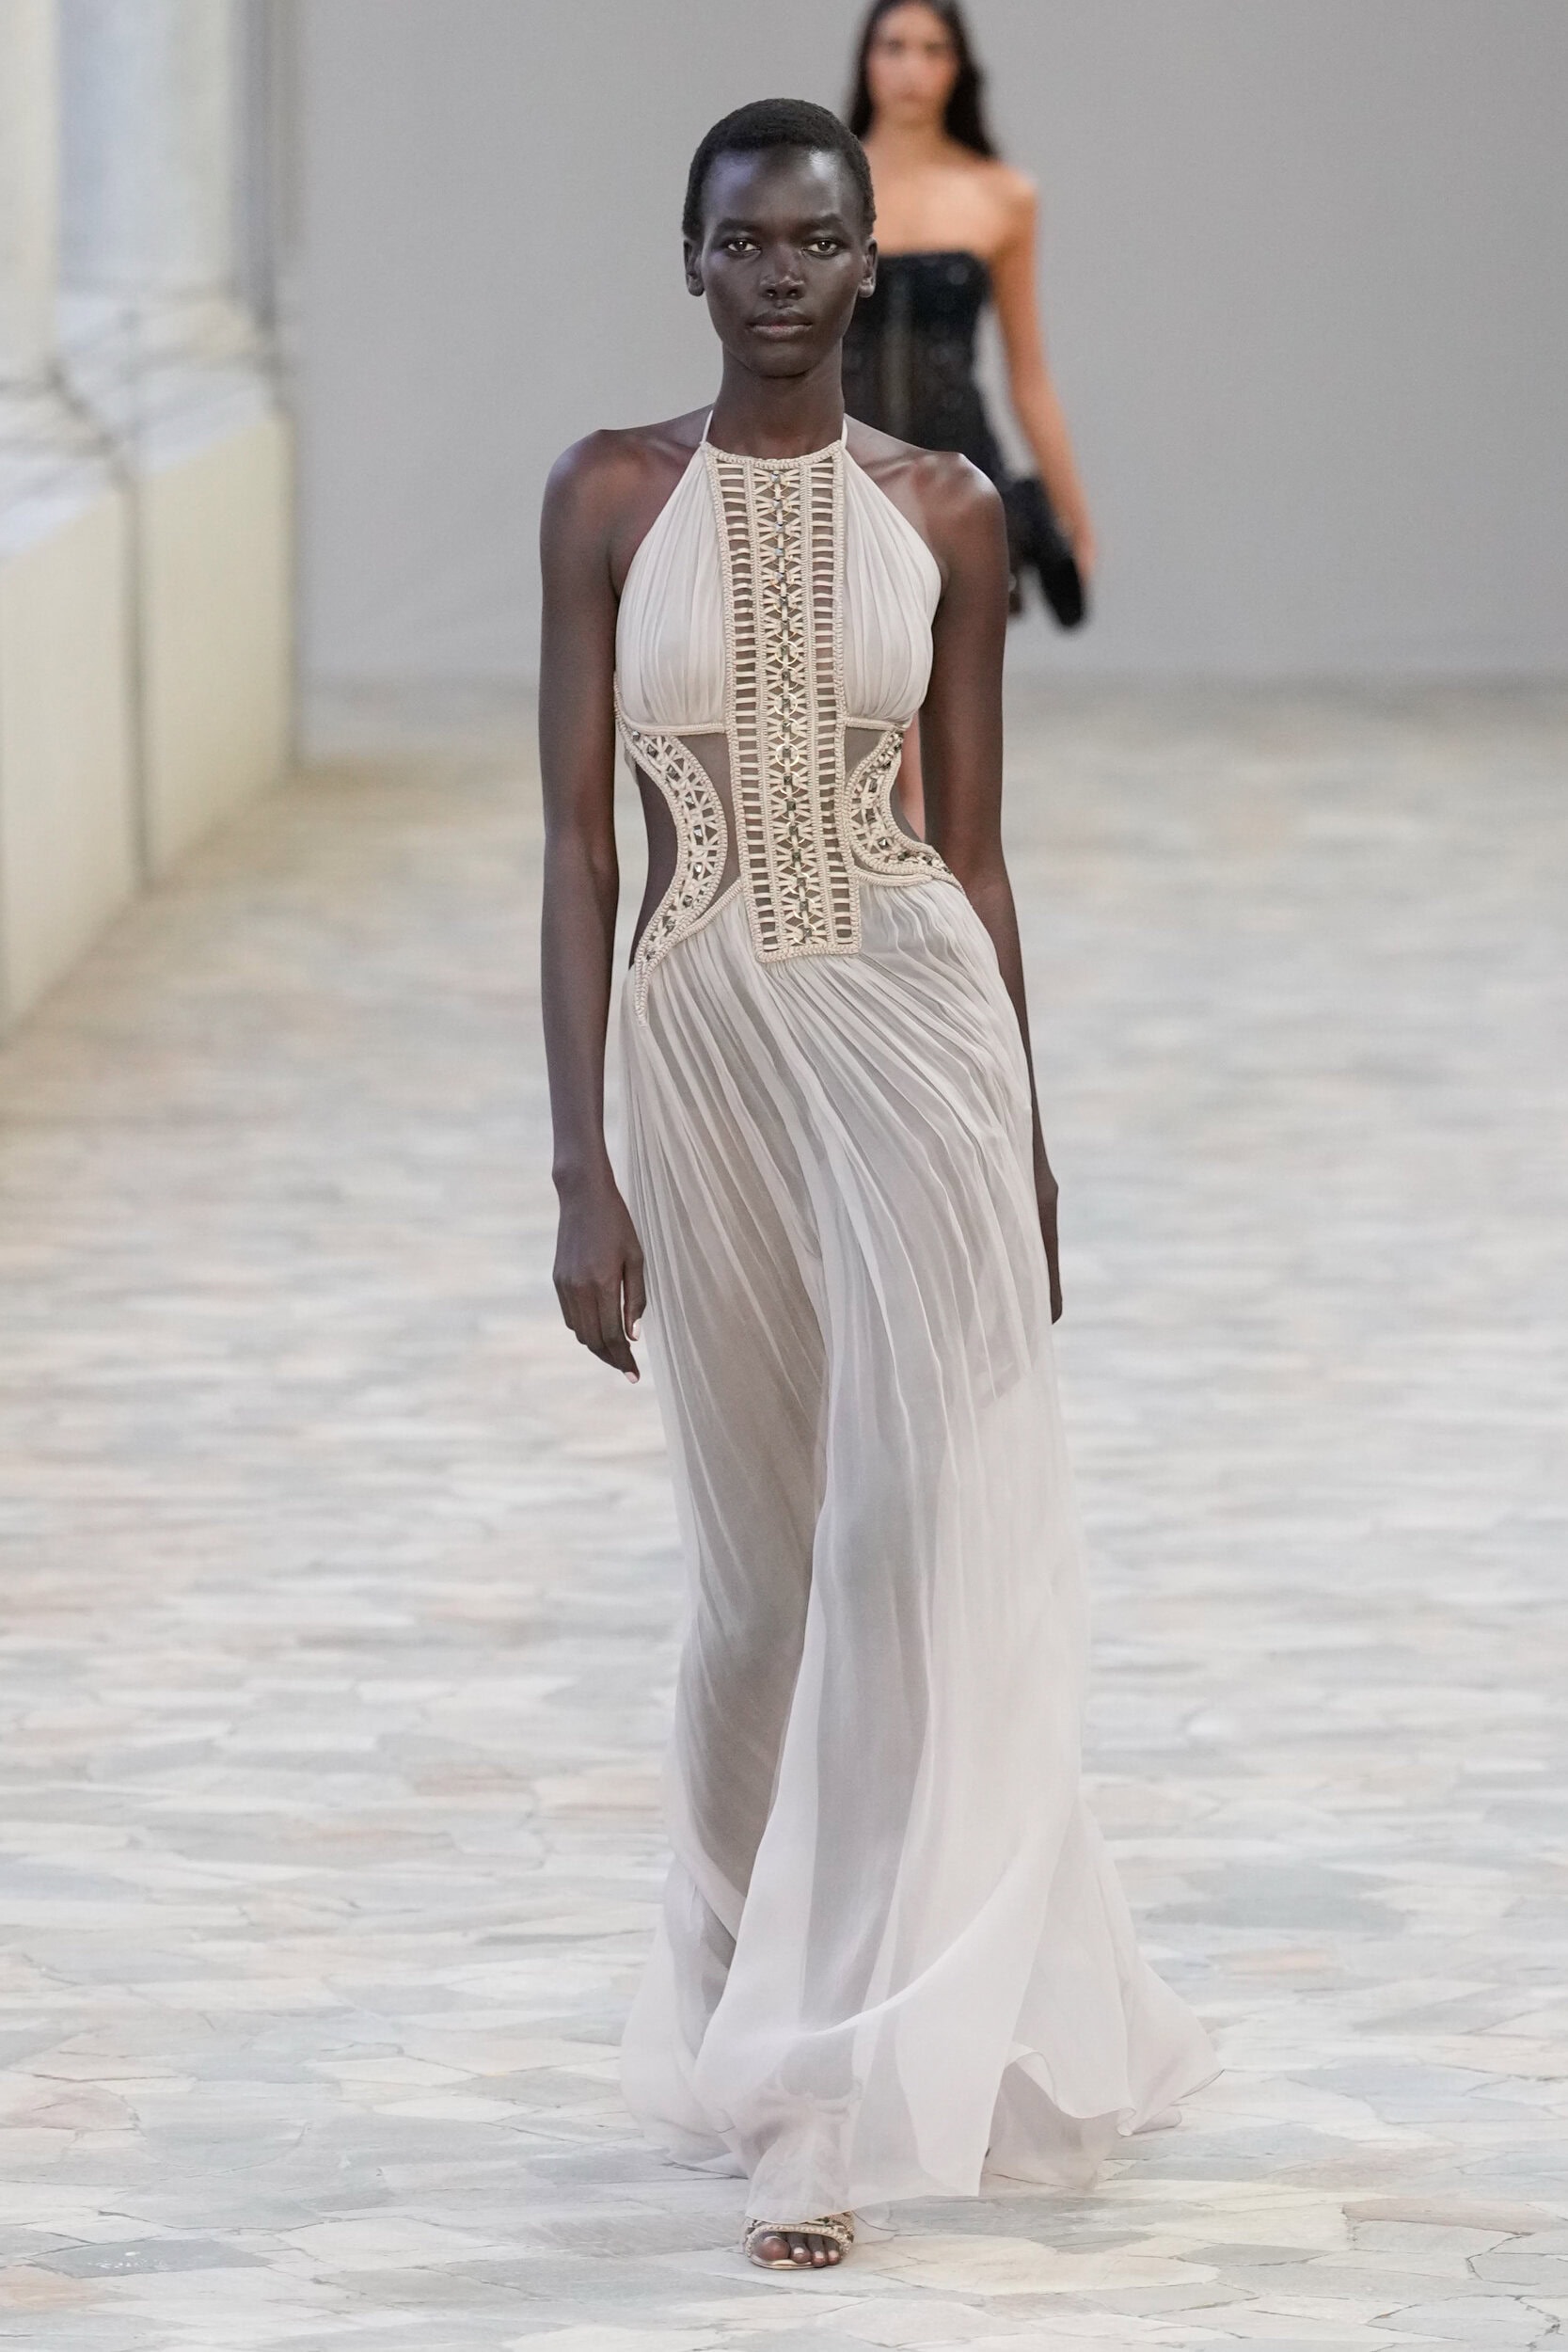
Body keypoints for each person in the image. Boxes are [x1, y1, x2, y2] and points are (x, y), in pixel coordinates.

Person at [539, 98, 1216, 2275]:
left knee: (907, 1544)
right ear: (688, 259)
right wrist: (577, 1167)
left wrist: (1027, 1139)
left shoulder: (944, 513)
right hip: (698, 1047)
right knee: (755, 1591)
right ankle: (742, 1996)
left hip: (910, 1035)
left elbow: (977, 855)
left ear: (862, 266)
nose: (778, 276)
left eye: (813, 242)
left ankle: (816, 2087)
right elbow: (573, 847)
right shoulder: (606, 493)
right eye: (741, 241)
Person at [846, 0, 1097, 829]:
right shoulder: (821, 187)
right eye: (894, 46)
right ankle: (900, 861)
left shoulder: (1003, 197)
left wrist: (1072, 513)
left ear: (958, 68)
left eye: (932, 49)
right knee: (868, 698)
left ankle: (920, 869)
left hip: (956, 474)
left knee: (930, 698)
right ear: (867, 59)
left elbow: (1028, 372)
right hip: (844, 470)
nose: (911, 68)